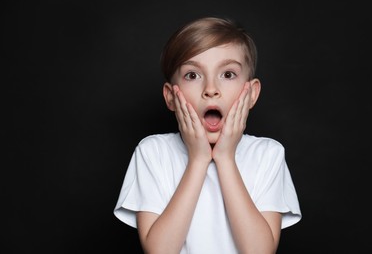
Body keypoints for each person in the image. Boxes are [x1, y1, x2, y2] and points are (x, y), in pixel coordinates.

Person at [114, 16, 302, 254]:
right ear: (171, 96)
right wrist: (198, 159)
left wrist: (225, 158)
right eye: (193, 75)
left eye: (228, 74)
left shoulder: (268, 154)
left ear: (252, 93)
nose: (211, 90)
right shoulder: (153, 152)